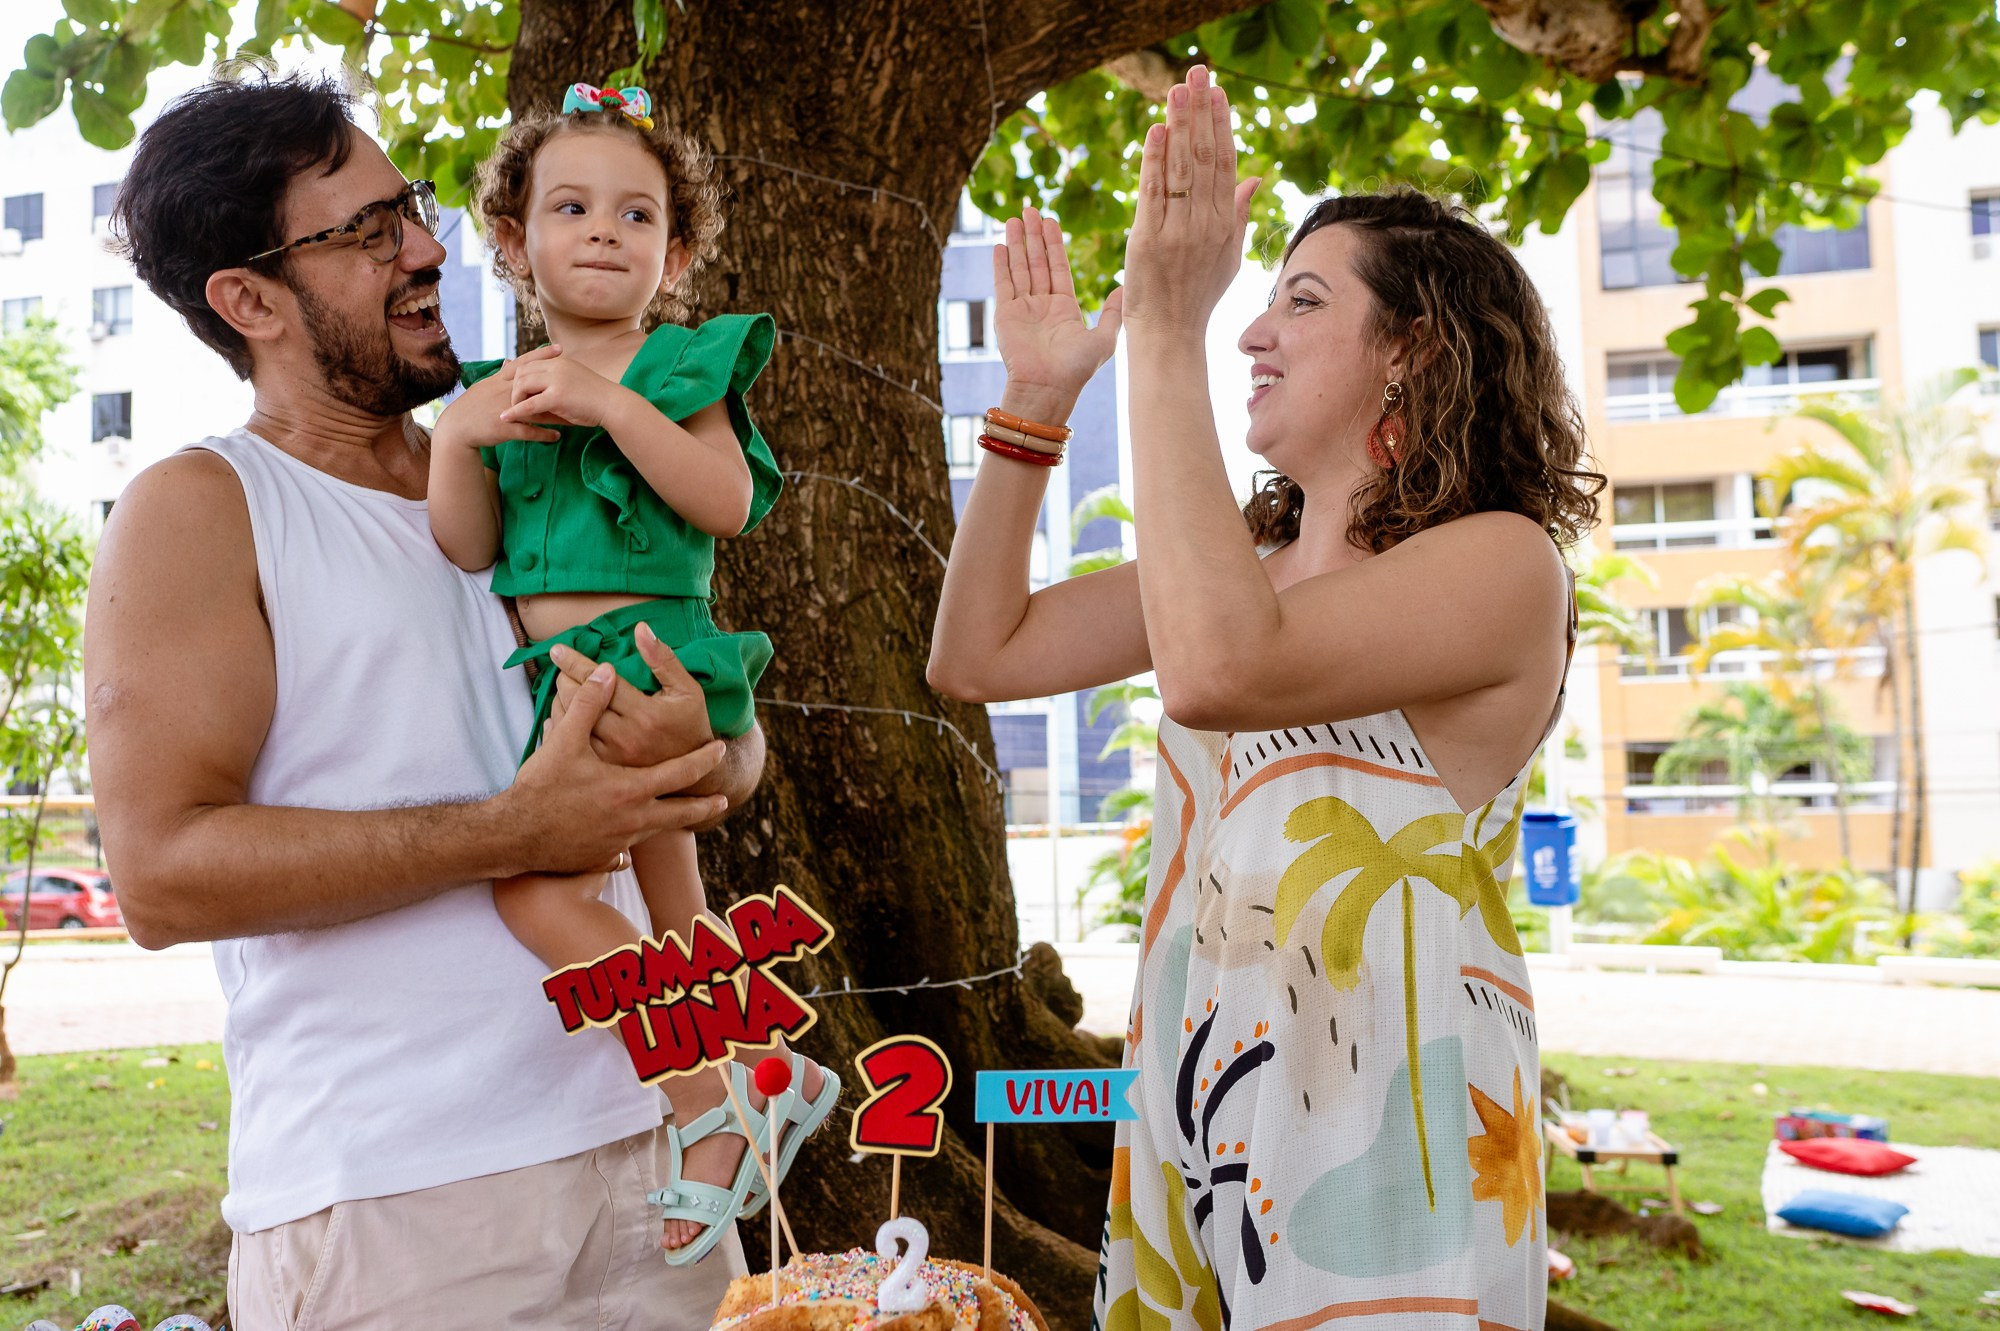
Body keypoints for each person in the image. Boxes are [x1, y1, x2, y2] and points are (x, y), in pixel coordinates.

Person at [84, 70, 764, 1327]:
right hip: (401, 1206)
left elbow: (713, 731)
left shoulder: (534, 447)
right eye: (365, 231)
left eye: (411, 206)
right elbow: (161, 875)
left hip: (662, 1153)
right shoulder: (203, 507)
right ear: (248, 299)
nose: (425, 247)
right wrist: (514, 833)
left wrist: (709, 752)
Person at [928, 65, 1599, 1331]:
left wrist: (1163, 325)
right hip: (1197, 1079)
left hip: (1391, 1106)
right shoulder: (1243, 567)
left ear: (1412, 349)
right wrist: (1032, 403)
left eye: (1301, 299)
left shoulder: (1504, 562)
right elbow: (978, 655)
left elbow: (1221, 670)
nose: (1251, 333)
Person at [429, 82, 834, 1264]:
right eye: (570, 207)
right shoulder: (501, 392)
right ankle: (764, 1069)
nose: (603, 231)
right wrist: (458, 437)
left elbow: (727, 500)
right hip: (573, 683)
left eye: (636, 214)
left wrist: (606, 402)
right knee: (675, 921)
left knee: (533, 892)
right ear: (513, 242)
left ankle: (708, 1105)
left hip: (651, 663)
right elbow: (467, 545)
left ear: (677, 253)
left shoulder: (674, 366)